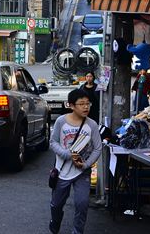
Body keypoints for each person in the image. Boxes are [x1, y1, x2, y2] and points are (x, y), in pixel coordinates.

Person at [49, 89, 103, 234]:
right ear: (71, 106)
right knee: (56, 205)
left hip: (82, 172)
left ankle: (77, 231)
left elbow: (98, 148)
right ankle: (55, 224)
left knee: (82, 204)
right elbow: (53, 142)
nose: (86, 107)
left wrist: (86, 164)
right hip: (62, 171)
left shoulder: (91, 125)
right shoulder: (61, 121)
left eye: (88, 103)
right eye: (81, 104)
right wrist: (67, 154)